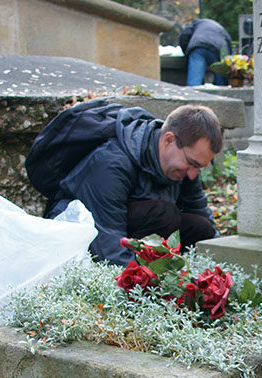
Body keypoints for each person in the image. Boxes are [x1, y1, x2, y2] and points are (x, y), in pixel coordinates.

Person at [46, 104, 222, 266]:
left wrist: (222, 272)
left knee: (201, 228)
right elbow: (108, 243)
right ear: (168, 139)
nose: (192, 174)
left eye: (199, 167)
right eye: (191, 163)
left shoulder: (185, 170)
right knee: (165, 215)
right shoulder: (111, 163)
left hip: (131, 234)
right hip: (85, 237)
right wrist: (146, 288)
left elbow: (204, 221)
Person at [179, 18, 232, 86]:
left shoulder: (196, 23)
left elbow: (184, 36)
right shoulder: (221, 28)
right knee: (221, 82)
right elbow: (228, 45)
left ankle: (192, 95)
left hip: (198, 47)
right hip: (218, 49)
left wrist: (186, 52)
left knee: (194, 83)